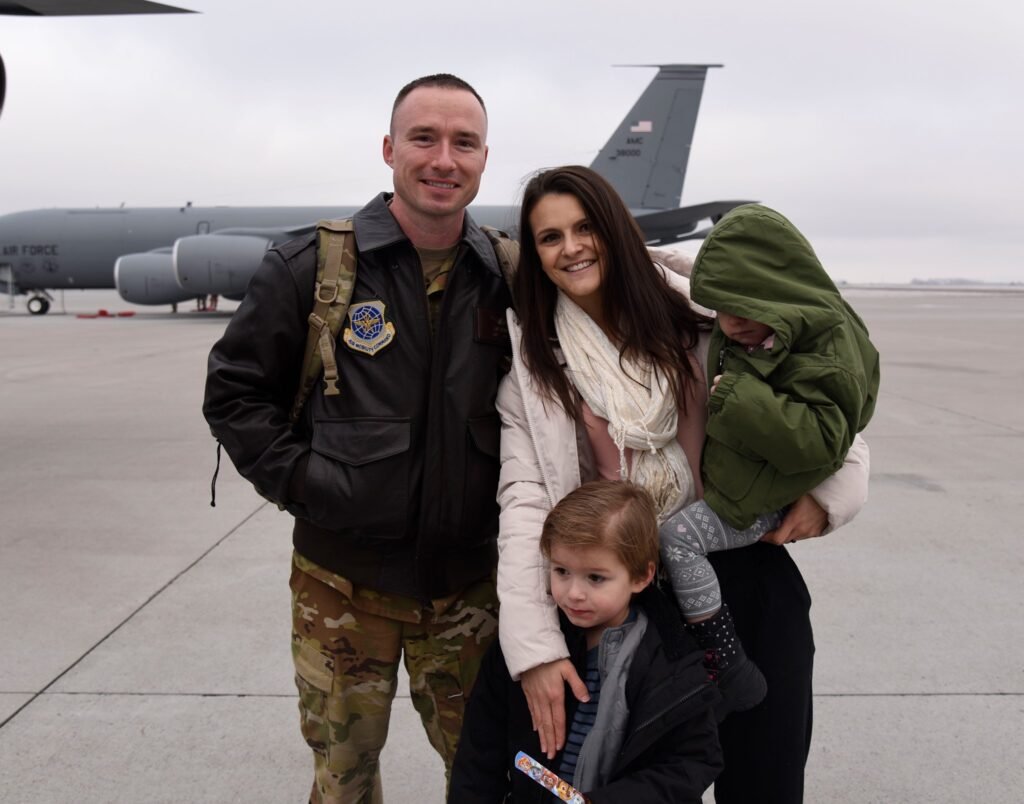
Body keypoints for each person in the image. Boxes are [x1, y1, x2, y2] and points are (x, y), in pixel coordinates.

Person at [495, 165, 870, 803]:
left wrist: (828, 496)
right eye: (550, 237)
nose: (572, 247)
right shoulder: (535, 370)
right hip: (633, 607)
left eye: (586, 228)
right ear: (535, 255)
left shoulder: (706, 314)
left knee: (767, 784)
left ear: (616, 231)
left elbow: (830, 410)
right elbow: (525, 505)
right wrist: (534, 648)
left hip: (747, 580)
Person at [203, 74, 510, 803]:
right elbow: (236, 395)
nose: (444, 159)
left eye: (463, 142)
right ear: (389, 149)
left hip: (471, 591)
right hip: (341, 589)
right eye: (424, 138)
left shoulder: (508, 274)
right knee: (343, 780)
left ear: (483, 158)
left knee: (491, 780)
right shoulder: (312, 266)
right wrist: (312, 486)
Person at [657, 203, 880, 714]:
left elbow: (833, 439)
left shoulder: (809, 346)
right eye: (721, 307)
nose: (731, 321)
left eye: (743, 306)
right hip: (728, 506)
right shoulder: (758, 324)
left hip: (753, 516)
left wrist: (740, 400)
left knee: (679, 540)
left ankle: (723, 656)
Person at [449, 480, 723, 803]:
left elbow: (691, 763)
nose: (574, 593)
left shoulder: (671, 665)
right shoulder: (526, 647)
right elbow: (479, 754)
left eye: (595, 577)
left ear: (641, 576)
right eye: (561, 571)